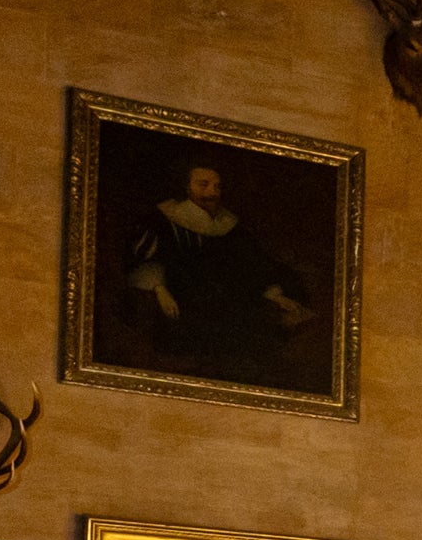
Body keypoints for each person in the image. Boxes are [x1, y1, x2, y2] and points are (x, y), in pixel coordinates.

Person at [124, 160, 316, 385]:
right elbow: (146, 260)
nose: (212, 192)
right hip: (183, 296)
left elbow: (252, 264)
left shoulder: (229, 224)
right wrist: (160, 289)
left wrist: (275, 295)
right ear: (187, 187)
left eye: (217, 187)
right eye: (203, 185)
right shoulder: (166, 219)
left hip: (231, 297)